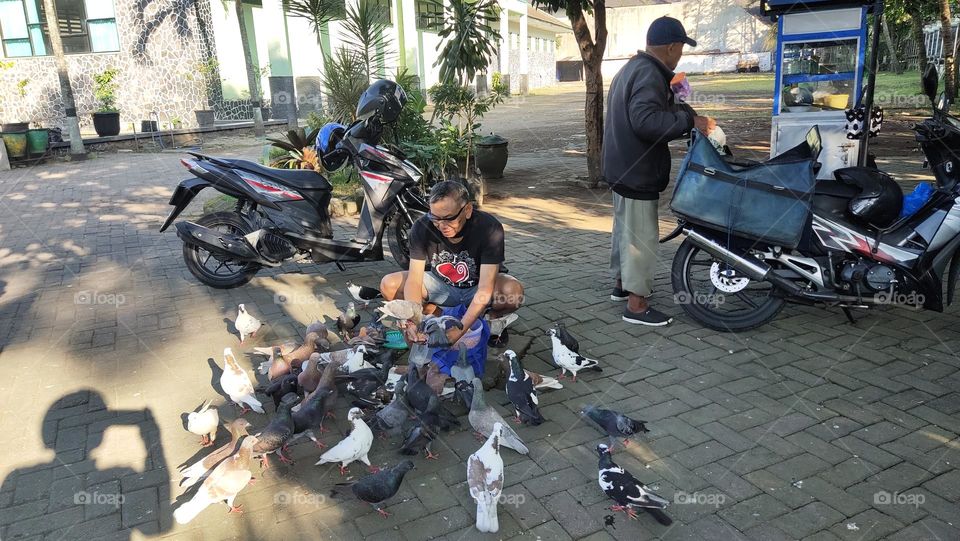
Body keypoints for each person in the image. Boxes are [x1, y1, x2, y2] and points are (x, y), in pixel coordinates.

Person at [603, 16, 714, 326]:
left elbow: (666, 107)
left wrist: (684, 103)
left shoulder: (634, 68)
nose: (681, 54)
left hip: (622, 166)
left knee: (624, 230)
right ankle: (637, 306)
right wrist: (691, 122)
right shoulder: (649, 74)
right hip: (636, 169)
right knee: (641, 237)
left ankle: (622, 287)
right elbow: (646, 121)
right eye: (681, 48)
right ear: (670, 47)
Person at [380, 181, 523, 346]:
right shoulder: (421, 227)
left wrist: (460, 330)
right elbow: (414, 280)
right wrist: (413, 319)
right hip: (440, 284)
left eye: (449, 218)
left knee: (513, 292)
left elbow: (485, 288)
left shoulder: (489, 228)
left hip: (477, 286)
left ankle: (493, 319)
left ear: (467, 210)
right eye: (435, 218)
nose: (442, 226)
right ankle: (437, 316)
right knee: (389, 285)